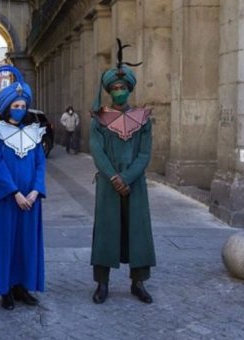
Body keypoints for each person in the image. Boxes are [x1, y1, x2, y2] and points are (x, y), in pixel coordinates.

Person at [89, 39, 155, 305]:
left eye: (122, 87)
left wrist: (127, 178)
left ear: (129, 88)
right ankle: (102, 283)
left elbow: (144, 153)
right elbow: (97, 150)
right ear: (109, 90)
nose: (118, 90)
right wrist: (114, 177)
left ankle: (138, 282)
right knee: (106, 232)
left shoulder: (143, 119)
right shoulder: (99, 119)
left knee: (137, 232)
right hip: (108, 184)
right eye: (114, 87)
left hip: (135, 184)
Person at [0, 65, 46, 310]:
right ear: (7, 107)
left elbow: (40, 163)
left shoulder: (34, 132)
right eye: (15, 106)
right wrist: (15, 193)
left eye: (22, 106)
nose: (19, 110)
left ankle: (23, 285)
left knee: (26, 242)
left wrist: (35, 190)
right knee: (5, 241)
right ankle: (5, 288)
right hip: (8, 198)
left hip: (31, 198)